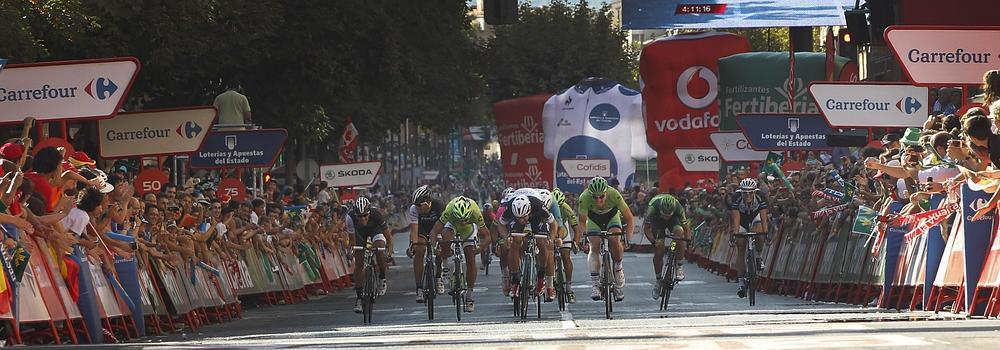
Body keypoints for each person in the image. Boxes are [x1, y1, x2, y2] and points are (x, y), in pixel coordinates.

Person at [576, 177, 635, 302]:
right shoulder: (584, 197)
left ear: (606, 192)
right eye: (595, 197)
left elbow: (629, 218)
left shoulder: (614, 194)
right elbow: (581, 221)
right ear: (590, 194)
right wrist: (583, 237)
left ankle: (618, 266)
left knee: (615, 239)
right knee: (594, 245)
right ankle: (595, 284)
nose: (598, 200)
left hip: (611, 217)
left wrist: (628, 238)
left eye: (601, 197)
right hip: (594, 219)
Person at [431, 196, 489, 312]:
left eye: (465, 219)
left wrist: (480, 248)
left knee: (470, 257)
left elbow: (487, 236)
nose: (463, 222)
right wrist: (434, 247)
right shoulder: (449, 211)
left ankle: (470, 294)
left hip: (469, 230)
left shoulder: (475, 212)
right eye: (460, 220)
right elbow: (434, 231)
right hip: (451, 225)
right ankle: (445, 266)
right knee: (446, 237)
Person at [496, 193, 558, 302]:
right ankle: (515, 281)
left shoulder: (538, 206)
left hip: (536, 216)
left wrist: (551, 239)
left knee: (542, 242)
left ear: (528, 210)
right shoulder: (511, 207)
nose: (522, 221)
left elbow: (553, 224)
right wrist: (506, 238)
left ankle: (540, 277)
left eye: (524, 217)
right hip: (518, 206)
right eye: (519, 218)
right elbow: (500, 225)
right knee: (514, 242)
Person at [347, 197, 391, 313]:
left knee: (379, 251)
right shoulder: (350, 218)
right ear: (355, 214)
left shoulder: (376, 214)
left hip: (375, 231)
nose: (362, 219)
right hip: (360, 234)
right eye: (359, 216)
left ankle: (382, 277)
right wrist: (350, 251)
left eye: (365, 216)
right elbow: (352, 241)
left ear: (369, 213)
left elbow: (388, 237)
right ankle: (360, 298)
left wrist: (389, 252)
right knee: (359, 264)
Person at [644, 193, 691, 299]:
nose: (666, 216)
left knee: (680, 233)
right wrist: (653, 241)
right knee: (659, 246)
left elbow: (686, 226)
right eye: (664, 214)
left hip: (674, 221)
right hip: (657, 221)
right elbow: (646, 228)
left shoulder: (678, 207)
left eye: (668, 214)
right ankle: (658, 280)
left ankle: (679, 265)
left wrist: (688, 240)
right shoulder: (652, 208)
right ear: (660, 209)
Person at [405, 185, 446, 302]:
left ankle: (438, 277)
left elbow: (444, 228)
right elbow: (414, 230)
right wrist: (413, 244)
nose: (417, 207)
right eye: (415, 205)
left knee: (439, 250)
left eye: (419, 205)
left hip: (437, 228)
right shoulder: (414, 209)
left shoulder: (439, 205)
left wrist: (442, 244)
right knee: (419, 251)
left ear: (428, 202)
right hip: (422, 229)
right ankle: (419, 287)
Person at [729, 178, 769, 298]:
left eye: (750, 192)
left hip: (755, 217)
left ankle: (758, 256)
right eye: (745, 192)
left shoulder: (761, 196)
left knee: (759, 229)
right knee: (741, 246)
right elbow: (736, 219)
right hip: (742, 219)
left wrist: (765, 233)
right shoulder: (736, 197)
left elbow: (763, 218)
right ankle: (741, 282)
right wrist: (735, 234)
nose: (747, 195)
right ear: (741, 192)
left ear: (755, 192)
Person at [551, 188, 578, 304]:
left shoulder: (567, 208)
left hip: (564, 229)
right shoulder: (546, 206)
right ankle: (550, 282)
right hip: (550, 227)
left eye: (560, 206)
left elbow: (576, 228)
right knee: (548, 255)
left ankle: (569, 287)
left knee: (566, 256)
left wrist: (575, 242)